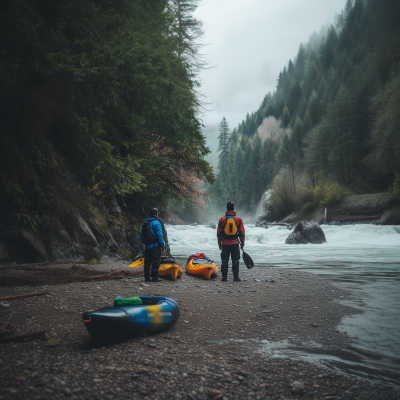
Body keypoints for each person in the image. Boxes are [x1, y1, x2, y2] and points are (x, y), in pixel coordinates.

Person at [217, 201, 245, 282]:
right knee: (235, 260)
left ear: (227, 208)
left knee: (224, 260)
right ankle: (236, 278)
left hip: (225, 244)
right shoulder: (238, 219)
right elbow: (242, 233)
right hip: (235, 243)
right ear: (233, 208)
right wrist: (242, 244)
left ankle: (224, 278)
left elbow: (219, 233)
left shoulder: (222, 219)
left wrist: (219, 244)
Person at [140, 207, 165, 282]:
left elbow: (141, 236)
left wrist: (146, 244)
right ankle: (155, 278)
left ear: (150, 214)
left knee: (147, 262)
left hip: (147, 247)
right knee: (155, 262)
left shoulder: (144, 223)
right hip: (156, 247)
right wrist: (163, 246)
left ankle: (147, 278)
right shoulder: (157, 223)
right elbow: (160, 236)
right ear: (156, 214)